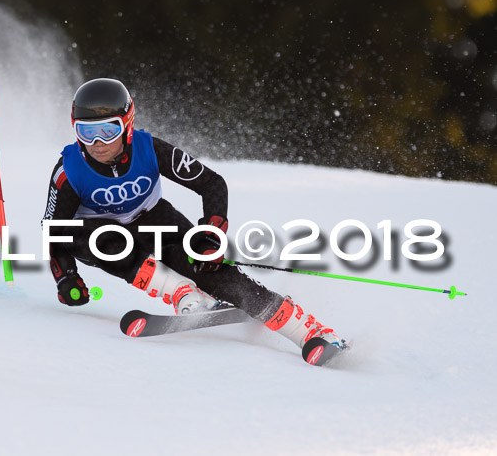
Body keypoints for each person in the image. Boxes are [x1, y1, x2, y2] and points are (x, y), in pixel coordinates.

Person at [42, 78, 347, 353]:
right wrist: (66, 276)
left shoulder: (150, 150)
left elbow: (211, 184)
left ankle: (310, 334)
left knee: (210, 269)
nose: (97, 143)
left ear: (127, 124)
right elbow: (53, 231)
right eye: (86, 131)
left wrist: (212, 234)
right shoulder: (69, 171)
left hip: (154, 221)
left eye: (108, 130)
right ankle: (182, 293)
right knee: (102, 238)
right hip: (101, 236)